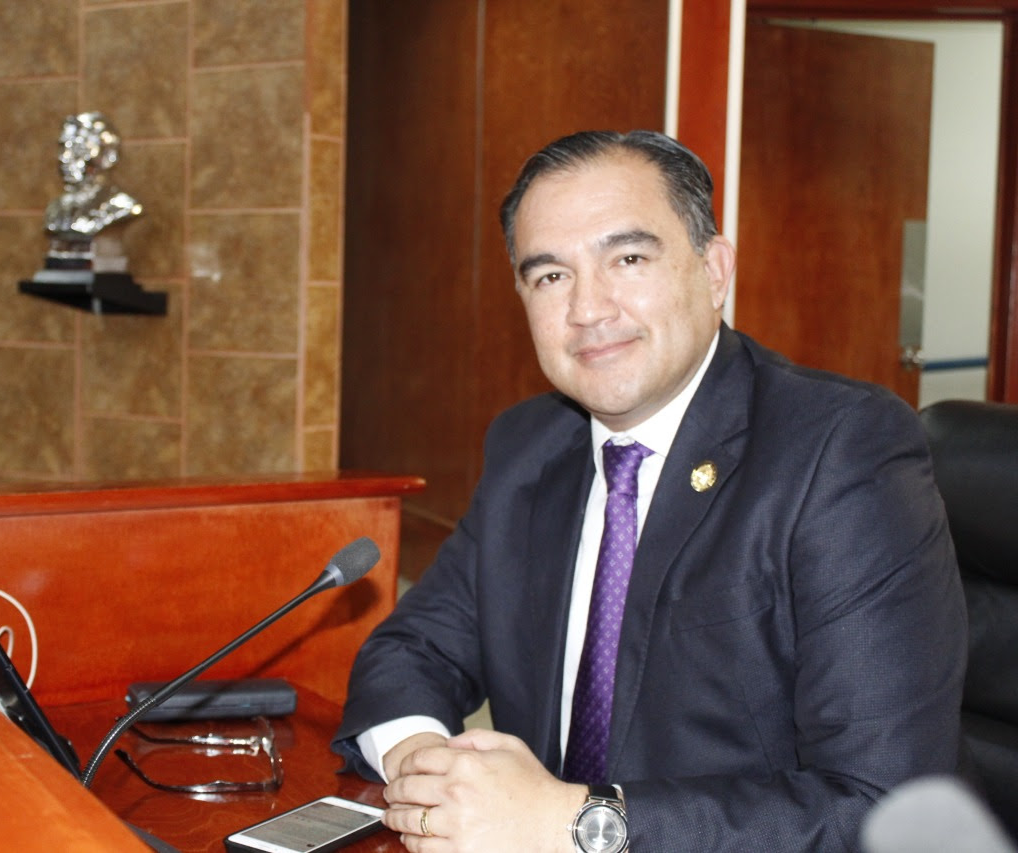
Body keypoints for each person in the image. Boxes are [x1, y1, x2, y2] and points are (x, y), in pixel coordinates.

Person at [332, 130, 966, 852]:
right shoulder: (529, 447)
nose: (588, 309)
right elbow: (412, 650)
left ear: (714, 270)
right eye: (550, 276)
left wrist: (574, 824)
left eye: (628, 259)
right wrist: (426, 769)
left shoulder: (841, 450)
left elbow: (883, 806)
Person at [44, 111, 143, 241]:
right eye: (63, 148)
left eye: (78, 148)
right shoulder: (56, 209)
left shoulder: (121, 207)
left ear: (107, 155)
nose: (64, 158)